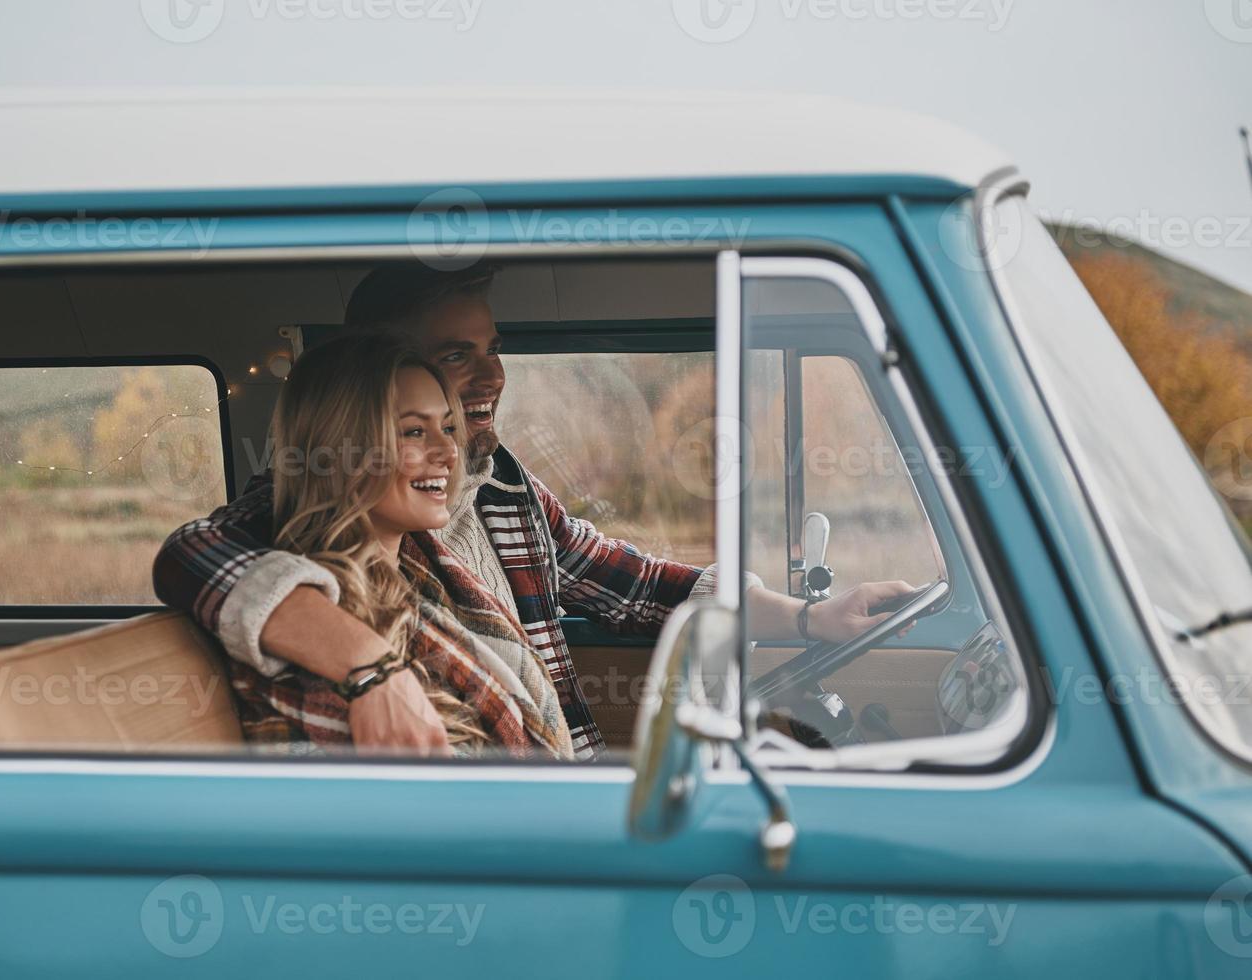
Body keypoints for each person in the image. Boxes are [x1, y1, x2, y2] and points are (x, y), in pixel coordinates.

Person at [154, 262, 913, 759]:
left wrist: (813, 619)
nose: (490, 374)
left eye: (491, 348)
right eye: (455, 356)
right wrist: (370, 669)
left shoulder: (502, 484)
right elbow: (194, 555)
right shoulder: (312, 509)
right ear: (377, 377)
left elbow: (638, 584)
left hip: (558, 775)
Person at [226, 333, 573, 760]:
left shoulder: (425, 581)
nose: (448, 450)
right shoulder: (309, 628)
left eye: (447, 427)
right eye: (413, 431)